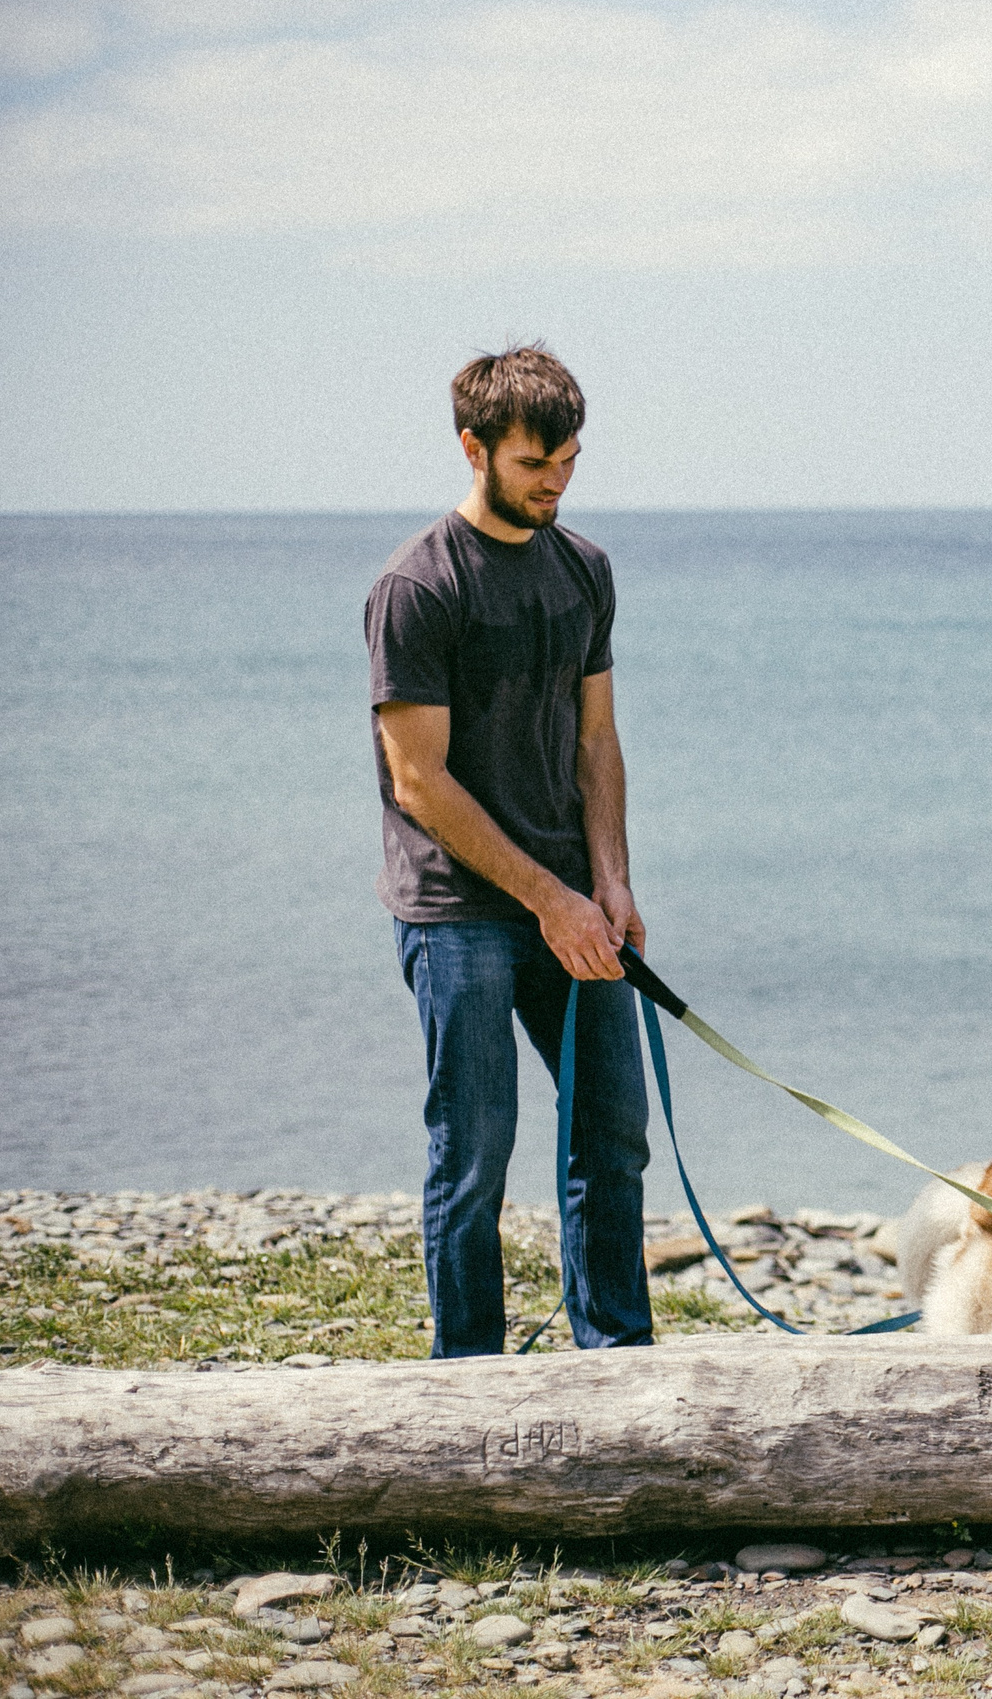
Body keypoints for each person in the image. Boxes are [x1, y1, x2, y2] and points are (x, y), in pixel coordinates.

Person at [365, 343, 654, 1358]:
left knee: (613, 1142)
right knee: (475, 1156)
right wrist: (549, 898)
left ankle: (618, 1363)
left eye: (570, 459)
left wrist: (609, 882)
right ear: (473, 448)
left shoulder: (585, 571)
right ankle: (469, 1387)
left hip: (573, 905)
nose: (556, 483)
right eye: (536, 464)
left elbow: (596, 739)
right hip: (459, 914)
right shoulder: (417, 588)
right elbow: (419, 781)